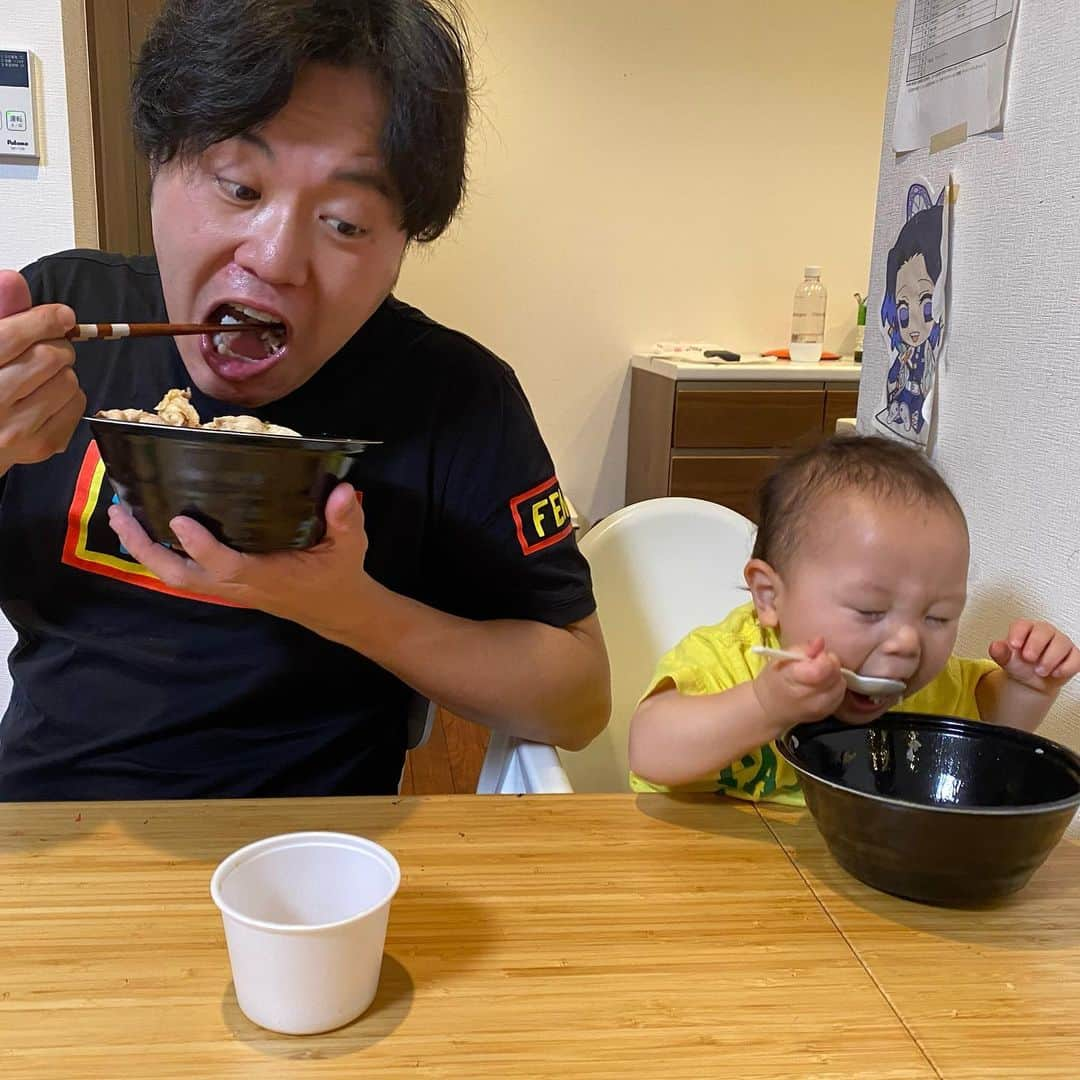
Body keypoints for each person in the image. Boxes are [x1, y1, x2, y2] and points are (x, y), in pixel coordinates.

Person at [0, 0, 610, 800]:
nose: (276, 257)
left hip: (316, 865)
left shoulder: (455, 397)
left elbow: (577, 701)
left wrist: (350, 608)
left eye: (347, 223)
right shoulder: (58, 328)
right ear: (158, 162)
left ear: (403, 247)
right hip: (41, 837)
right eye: (238, 186)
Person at [628, 436, 1079, 804]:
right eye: (870, 611)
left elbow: (986, 729)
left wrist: (1027, 686)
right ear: (769, 596)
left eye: (938, 617)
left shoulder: (929, 690)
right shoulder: (728, 663)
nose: (906, 642)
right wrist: (765, 706)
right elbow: (648, 749)